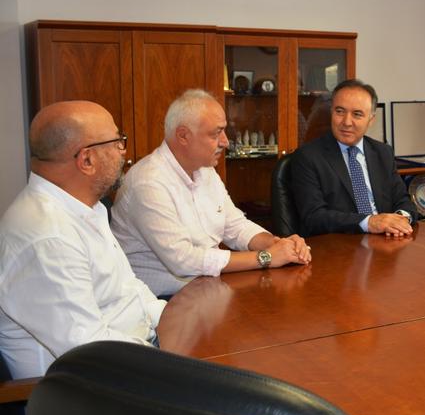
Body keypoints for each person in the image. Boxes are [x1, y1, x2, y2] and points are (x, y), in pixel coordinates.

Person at [0, 101, 165, 378]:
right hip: (81, 396)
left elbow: (128, 290)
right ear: (86, 160)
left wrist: (171, 320)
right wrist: (170, 357)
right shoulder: (48, 237)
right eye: (117, 141)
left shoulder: (85, 208)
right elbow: (89, 351)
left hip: (128, 357)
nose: (124, 151)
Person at [112, 90, 310, 298]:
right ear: (183, 136)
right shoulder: (148, 182)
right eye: (216, 134)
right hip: (160, 302)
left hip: (206, 290)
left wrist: (278, 244)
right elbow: (183, 260)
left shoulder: (205, 170)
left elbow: (235, 226)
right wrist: (266, 257)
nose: (225, 141)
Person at [290, 79, 415, 236]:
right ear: (331, 112)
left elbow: (403, 200)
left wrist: (400, 219)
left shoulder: (383, 153)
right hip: (339, 247)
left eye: (357, 114)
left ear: (371, 120)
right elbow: (314, 217)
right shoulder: (307, 156)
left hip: (386, 242)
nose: (347, 122)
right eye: (340, 112)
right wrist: (368, 222)